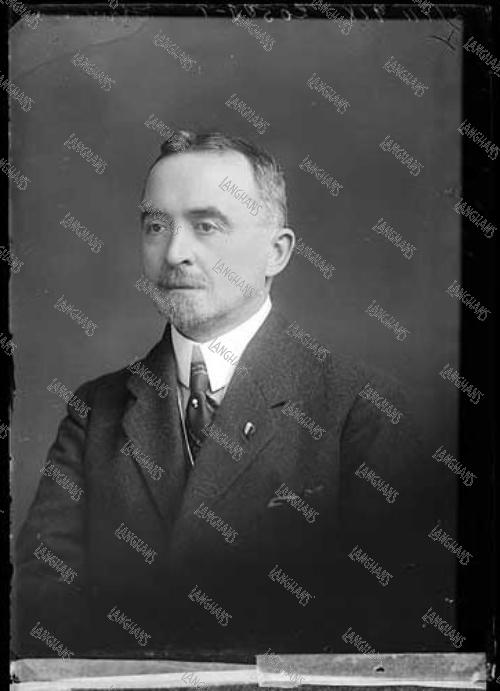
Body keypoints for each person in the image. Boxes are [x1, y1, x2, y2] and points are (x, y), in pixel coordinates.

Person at [14, 131, 445, 658]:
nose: (175, 253)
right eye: (156, 226)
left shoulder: (363, 408)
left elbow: (391, 626)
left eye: (207, 226)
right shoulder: (95, 411)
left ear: (275, 252)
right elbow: (45, 608)